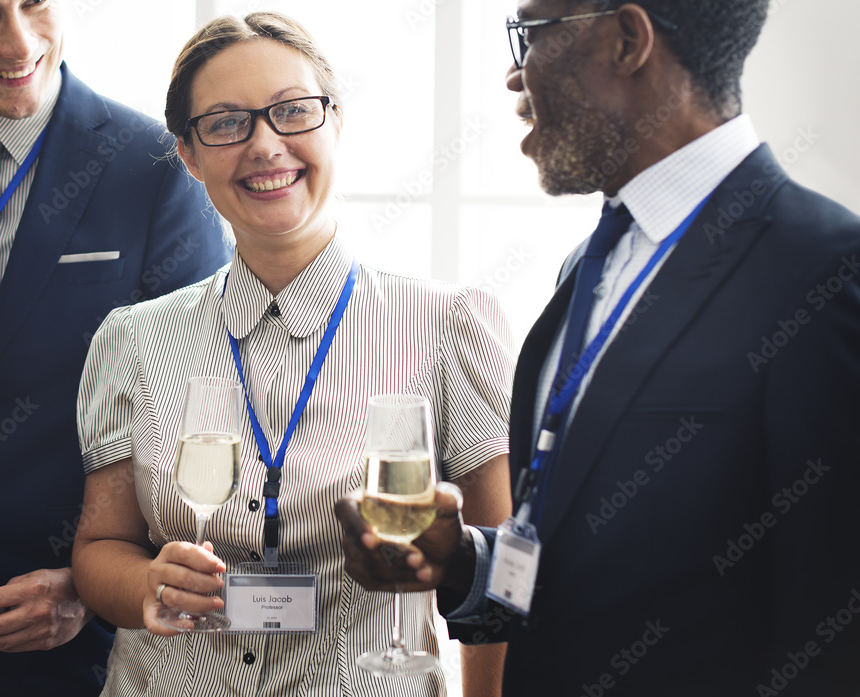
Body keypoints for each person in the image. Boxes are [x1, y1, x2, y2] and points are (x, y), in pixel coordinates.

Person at [336, 0, 860, 695]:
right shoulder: (588, 265)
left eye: (533, 34)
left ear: (625, 40)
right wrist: (462, 560)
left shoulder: (825, 275)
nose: (513, 76)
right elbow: (585, 559)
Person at [71, 11, 514, 697]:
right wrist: (146, 582)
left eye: (293, 112)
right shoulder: (133, 338)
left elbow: (500, 580)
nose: (265, 145)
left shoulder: (449, 324)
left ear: (336, 122)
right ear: (187, 154)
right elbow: (100, 549)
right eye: (225, 123)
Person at [0, 0, 230, 694]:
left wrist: (92, 583)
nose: (20, 41)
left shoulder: (156, 169)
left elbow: (200, 411)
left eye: (34, 3)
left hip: (80, 638)